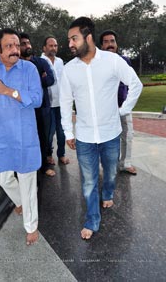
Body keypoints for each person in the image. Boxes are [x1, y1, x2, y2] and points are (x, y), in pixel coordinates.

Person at [59, 17, 143, 240]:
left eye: (74, 38)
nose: (70, 44)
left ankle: (108, 193)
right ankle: (92, 219)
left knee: (111, 172)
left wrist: (123, 110)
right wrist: (68, 132)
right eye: (69, 40)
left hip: (111, 133)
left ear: (88, 37)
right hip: (85, 136)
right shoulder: (68, 70)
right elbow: (66, 103)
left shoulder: (112, 61)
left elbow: (136, 84)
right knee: (87, 181)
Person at [0, 28, 43, 245]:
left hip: (24, 136)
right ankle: (20, 201)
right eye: (9, 46)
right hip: (0, 136)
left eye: (17, 45)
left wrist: (6, 91)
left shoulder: (28, 68)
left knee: (28, 182)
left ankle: (31, 227)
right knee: (2, 177)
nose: (15, 50)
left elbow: (37, 99)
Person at [100, 30, 137, 175]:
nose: (110, 44)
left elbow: (132, 83)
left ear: (116, 43)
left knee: (127, 135)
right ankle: (109, 165)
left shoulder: (125, 61)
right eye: (106, 42)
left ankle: (125, 164)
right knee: (107, 138)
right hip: (105, 108)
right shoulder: (98, 63)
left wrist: (127, 103)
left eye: (112, 41)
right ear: (101, 45)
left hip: (123, 106)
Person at [20, 32, 56, 177]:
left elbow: (51, 80)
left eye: (28, 43)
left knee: (43, 137)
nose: (27, 46)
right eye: (23, 44)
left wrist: (32, 83)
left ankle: (44, 166)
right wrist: (38, 81)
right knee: (26, 138)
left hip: (42, 107)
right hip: (24, 108)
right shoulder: (17, 65)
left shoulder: (41, 62)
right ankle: (28, 165)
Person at [41, 36, 69, 165]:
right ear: (44, 47)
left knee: (61, 132)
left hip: (61, 103)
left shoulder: (60, 61)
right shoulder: (40, 61)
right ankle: (48, 155)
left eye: (55, 45)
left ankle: (61, 154)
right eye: (51, 45)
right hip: (48, 104)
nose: (53, 48)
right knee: (49, 132)